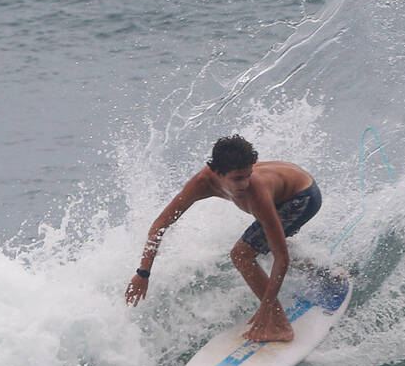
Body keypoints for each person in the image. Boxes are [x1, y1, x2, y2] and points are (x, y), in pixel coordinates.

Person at [125, 134, 322, 342]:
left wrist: (265, 309)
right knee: (269, 242)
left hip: (302, 197)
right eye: (238, 178)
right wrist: (143, 272)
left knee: (242, 255)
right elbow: (160, 224)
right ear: (217, 173)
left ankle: (280, 326)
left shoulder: (257, 193)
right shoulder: (201, 183)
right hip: (288, 187)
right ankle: (319, 271)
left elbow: (282, 258)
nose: (245, 183)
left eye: (248, 174)